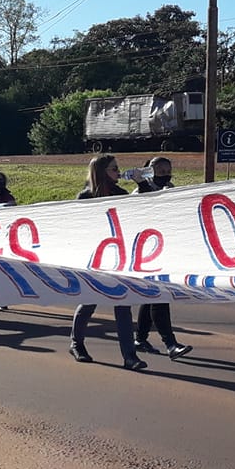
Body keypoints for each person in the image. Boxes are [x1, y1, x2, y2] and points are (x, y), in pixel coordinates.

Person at [69, 154, 146, 371]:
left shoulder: (121, 194)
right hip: (94, 258)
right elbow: (78, 227)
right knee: (89, 302)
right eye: (114, 168)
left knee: (123, 305)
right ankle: (77, 344)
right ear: (102, 171)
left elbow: (148, 208)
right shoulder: (85, 197)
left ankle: (130, 356)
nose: (118, 171)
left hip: (117, 258)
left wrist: (141, 183)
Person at [129, 157, 194, 360]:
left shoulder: (171, 190)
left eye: (168, 169)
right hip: (145, 254)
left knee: (150, 298)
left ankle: (140, 338)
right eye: (161, 170)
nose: (166, 173)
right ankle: (170, 343)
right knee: (160, 296)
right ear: (150, 171)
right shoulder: (140, 191)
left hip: (164, 251)